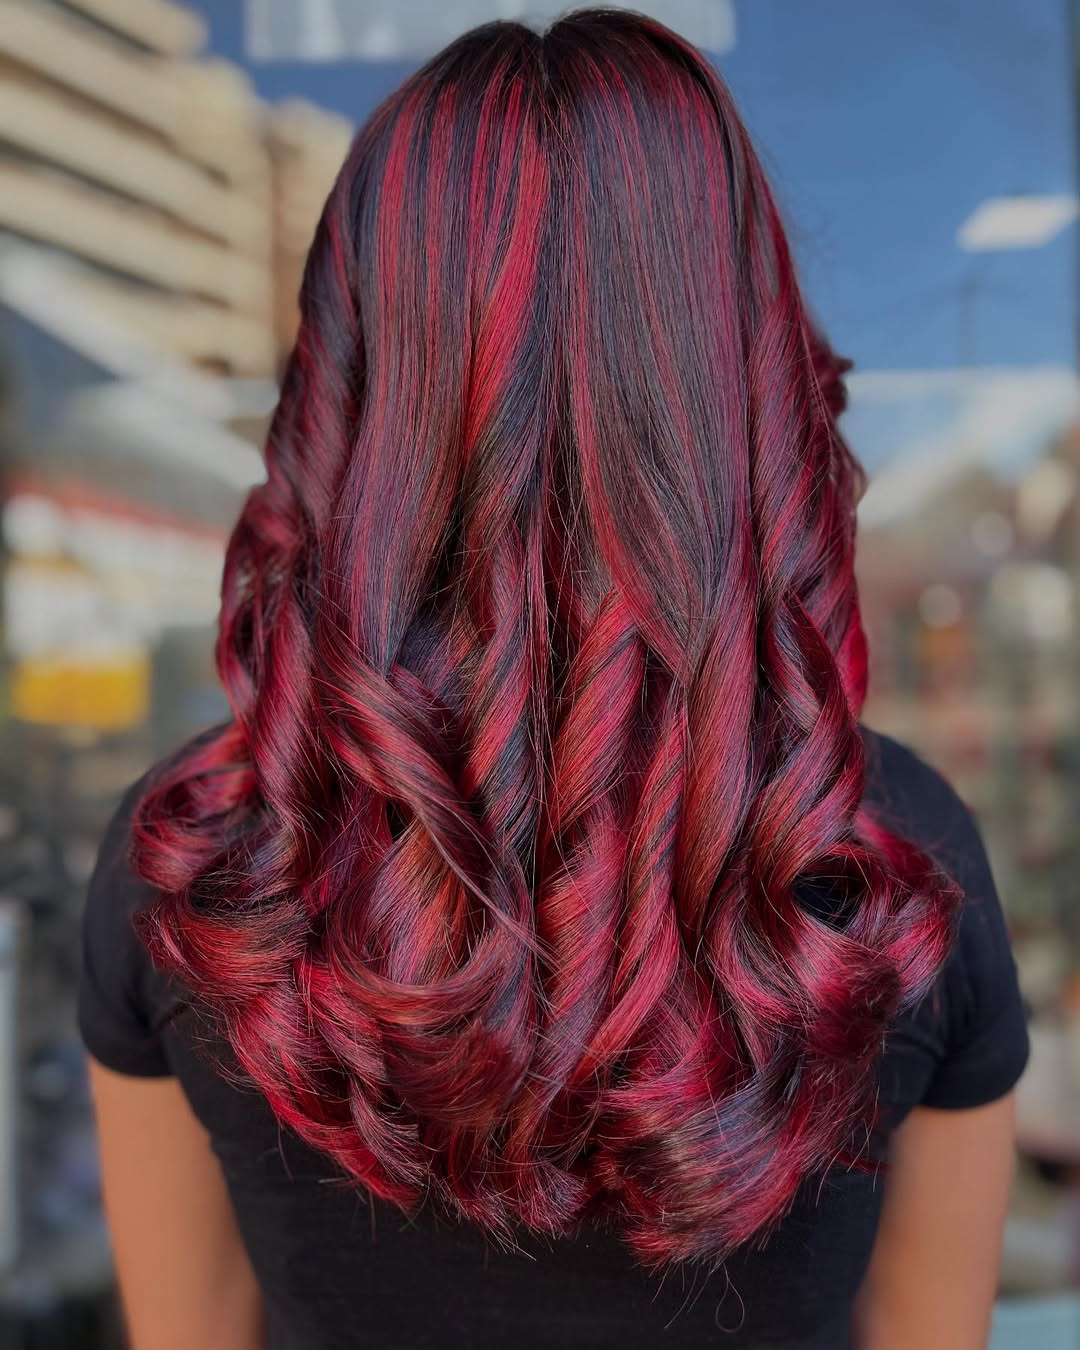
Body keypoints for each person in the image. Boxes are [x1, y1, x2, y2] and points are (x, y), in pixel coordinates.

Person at [79, 11, 1029, 1349]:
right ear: (744, 386)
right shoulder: (895, 862)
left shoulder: (197, 860)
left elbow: (192, 1331)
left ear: (353, 380)